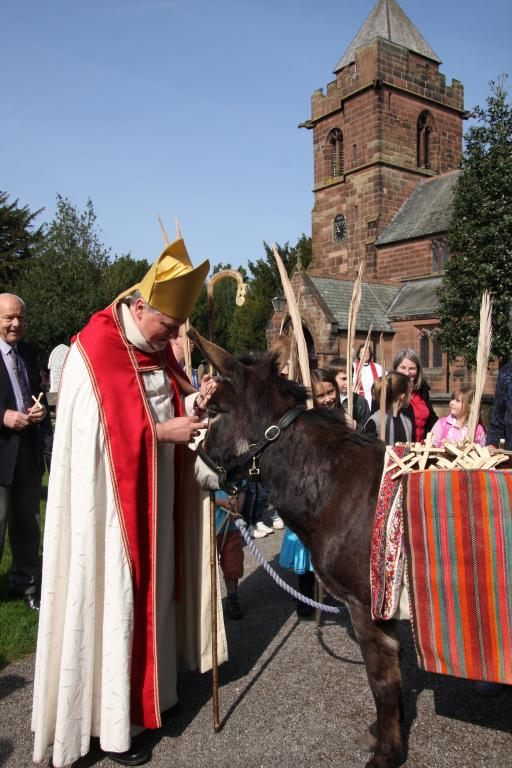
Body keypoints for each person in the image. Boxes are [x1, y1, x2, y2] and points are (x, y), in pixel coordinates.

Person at [32, 238, 228, 767]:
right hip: (111, 515)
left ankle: (155, 696)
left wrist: (196, 401)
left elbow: (166, 400)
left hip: (157, 499)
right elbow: (92, 439)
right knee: (116, 598)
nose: (173, 338)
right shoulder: (94, 351)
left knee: (156, 594)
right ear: (141, 308)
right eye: (168, 326)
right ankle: (114, 723)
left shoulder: (155, 347)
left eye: (177, 329)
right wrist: (161, 433)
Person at [279, 369, 342, 618]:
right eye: (321, 395)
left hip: (334, 489)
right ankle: (305, 595)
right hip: (306, 490)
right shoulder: (302, 422)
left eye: (330, 392)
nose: (327, 399)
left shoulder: (343, 416)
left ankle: (328, 588)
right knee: (305, 546)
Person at [0, 293, 48, 611]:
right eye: (9, 318)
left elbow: (36, 391)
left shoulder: (28, 352)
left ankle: (26, 583)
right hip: (1, 451)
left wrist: (39, 409)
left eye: (20, 317)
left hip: (27, 451)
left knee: (28, 523)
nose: (16, 323)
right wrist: (2, 416)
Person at [392, 348, 437, 442]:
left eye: (412, 368)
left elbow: (432, 419)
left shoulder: (422, 389)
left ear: (418, 370)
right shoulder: (388, 390)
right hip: (399, 446)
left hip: (421, 447)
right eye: (403, 368)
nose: (407, 373)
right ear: (395, 368)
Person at [215, 489, 246, 620]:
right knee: (206, 568)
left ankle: (232, 598)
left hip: (231, 526)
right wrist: (223, 502)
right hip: (210, 526)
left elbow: (242, 489)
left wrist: (237, 508)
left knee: (233, 564)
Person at [363, 372, 413, 444]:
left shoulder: (407, 422)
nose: (412, 397)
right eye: (410, 393)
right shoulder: (376, 421)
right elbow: (365, 447)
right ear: (403, 396)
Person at [328, 356, 370, 429]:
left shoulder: (360, 402)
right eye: (344, 378)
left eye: (351, 377)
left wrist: (356, 427)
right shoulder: (328, 400)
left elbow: (367, 429)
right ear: (332, 379)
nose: (348, 382)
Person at [353, 342, 383, 407]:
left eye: (367, 352)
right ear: (359, 355)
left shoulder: (378, 367)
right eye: (362, 352)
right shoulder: (353, 367)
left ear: (370, 354)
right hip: (358, 399)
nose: (365, 354)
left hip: (375, 399)